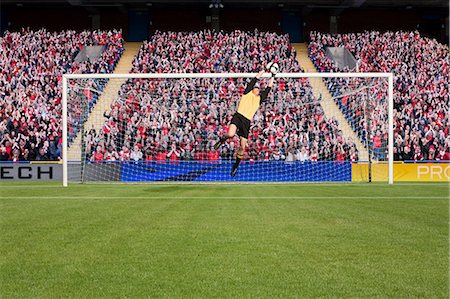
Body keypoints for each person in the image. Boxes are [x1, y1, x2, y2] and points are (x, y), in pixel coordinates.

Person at [214, 67, 275, 176]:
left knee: (243, 147)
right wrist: (264, 70)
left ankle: (235, 166)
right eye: (256, 88)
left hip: (247, 122)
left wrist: (273, 76)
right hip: (238, 116)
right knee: (230, 134)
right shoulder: (247, 93)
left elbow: (268, 88)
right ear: (252, 89)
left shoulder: (259, 99)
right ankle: (222, 139)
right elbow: (255, 78)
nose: (257, 89)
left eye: (258, 89)